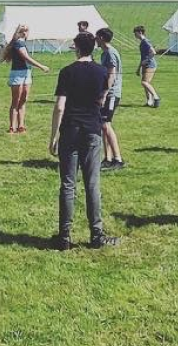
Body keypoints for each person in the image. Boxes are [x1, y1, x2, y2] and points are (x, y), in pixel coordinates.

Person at [47, 32, 120, 250]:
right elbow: (102, 97)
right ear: (93, 48)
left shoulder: (67, 72)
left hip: (70, 130)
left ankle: (64, 237)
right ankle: (96, 235)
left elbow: (60, 106)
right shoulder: (101, 72)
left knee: (68, 184)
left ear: (77, 48)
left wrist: (53, 137)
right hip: (92, 131)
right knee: (92, 183)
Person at [2, 24, 50, 134]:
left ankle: (21, 126)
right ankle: (12, 127)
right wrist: (41, 66)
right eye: (22, 30)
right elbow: (26, 58)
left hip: (26, 73)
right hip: (18, 74)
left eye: (26, 30)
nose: (25, 33)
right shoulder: (18, 43)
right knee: (16, 101)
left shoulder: (22, 43)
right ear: (18, 32)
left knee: (23, 100)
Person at [96, 28, 125, 170]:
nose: (95, 40)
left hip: (111, 93)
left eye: (96, 37)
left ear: (101, 37)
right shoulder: (105, 53)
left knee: (106, 124)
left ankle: (118, 159)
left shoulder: (110, 53)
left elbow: (112, 74)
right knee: (103, 125)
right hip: (107, 93)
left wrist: (105, 93)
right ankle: (107, 158)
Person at [134, 25, 160, 107]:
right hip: (145, 65)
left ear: (140, 32)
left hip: (150, 65)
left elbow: (153, 52)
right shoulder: (142, 42)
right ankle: (149, 101)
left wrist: (147, 60)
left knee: (144, 82)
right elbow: (142, 57)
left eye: (135, 33)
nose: (135, 35)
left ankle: (156, 97)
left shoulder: (145, 42)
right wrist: (138, 68)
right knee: (146, 83)